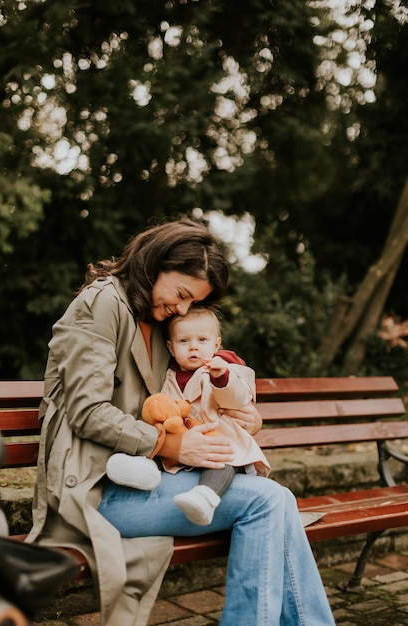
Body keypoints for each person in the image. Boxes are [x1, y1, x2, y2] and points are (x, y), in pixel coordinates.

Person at [26, 217, 335, 626]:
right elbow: (87, 412)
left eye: (192, 303)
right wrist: (166, 444)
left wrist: (243, 413)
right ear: (156, 263)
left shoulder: (154, 317)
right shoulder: (101, 305)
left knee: (275, 500)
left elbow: (193, 390)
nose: (183, 309)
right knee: (268, 501)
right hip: (95, 489)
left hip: (147, 479)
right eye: (183, 294)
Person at [106, 306, 271, 526]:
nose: (193, 347)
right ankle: (144, 470)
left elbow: (237, 399)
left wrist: (221, 378)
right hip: (184, 444)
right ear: (171, 348)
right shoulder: (169, 376)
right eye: (184, 341)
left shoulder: (226, 368)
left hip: (219, 440)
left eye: (202, 340)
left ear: (216, 344)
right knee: (159, 439)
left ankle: (205, 497)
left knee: (221, 461)